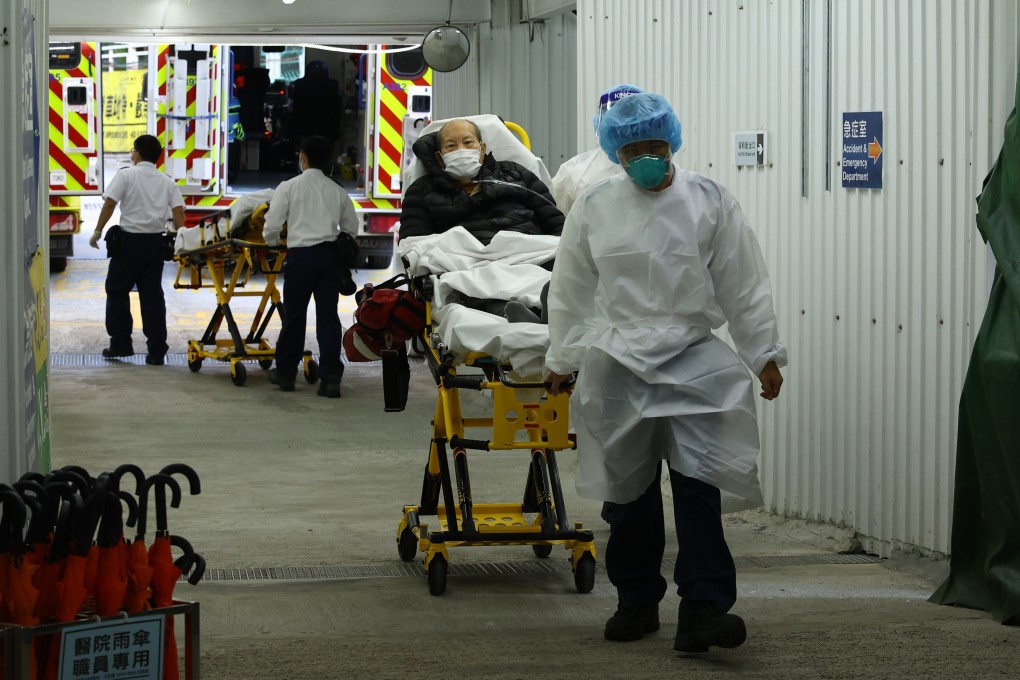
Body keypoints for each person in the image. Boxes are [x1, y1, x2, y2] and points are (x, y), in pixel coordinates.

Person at [544, 93, 787, 653]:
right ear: (616, 153)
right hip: (619, 362)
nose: (646, 157)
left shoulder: (708, 200)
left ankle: (703, 608)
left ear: (672, 141)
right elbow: (573, 286)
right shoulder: (596, 204)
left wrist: (763, 353)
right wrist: (562, 358)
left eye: (655, 146)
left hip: (692, 358)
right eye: (633, 149)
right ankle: (636, 600)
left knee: (699, 483)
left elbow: (742, 280)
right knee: (628, 493)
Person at [263, 135, 359, 398]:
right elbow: (352, 228)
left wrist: (272, 243)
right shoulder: (337, 190)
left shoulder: (289, 187)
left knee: (294, 317)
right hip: (329, 260)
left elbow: (272, 224)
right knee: (327, 317)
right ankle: (330, 380)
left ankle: (285, 374)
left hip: (300, 259)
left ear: (303, 156)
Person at [89, 134, 185, 365]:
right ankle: (156, 351)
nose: (131, 153)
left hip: (128, 246)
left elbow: (110, 203)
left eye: (133, 150)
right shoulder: (167, 181)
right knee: (152, 297)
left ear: (137, 154)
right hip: (155, 245)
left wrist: (98, 231)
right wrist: (183, 240)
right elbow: (179, 212)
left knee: (117, 291)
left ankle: (121, 344)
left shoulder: (125, 175)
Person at [398, 118, 565, 244]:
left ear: (482, 149)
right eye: (451, 146)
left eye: (468, 142)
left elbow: (557, 226)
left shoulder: (516, 174)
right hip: (462, 273)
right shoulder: (421, 192)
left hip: (530, 261)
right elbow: (414, 246)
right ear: (440, 158)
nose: (461, 150)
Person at [551, 83, 644, 215]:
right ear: (600, 122)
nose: (625, 126)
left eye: (631, 117)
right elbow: (552, 226)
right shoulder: (574, 173)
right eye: (616, 118)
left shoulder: (663, 172)